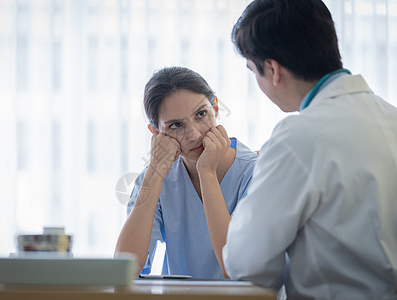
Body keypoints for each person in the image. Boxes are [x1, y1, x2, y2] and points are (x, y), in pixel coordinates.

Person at [222, 0, 397, 299]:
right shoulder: (390, 118)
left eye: (253, 70)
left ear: (273, 69)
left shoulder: (296, 139)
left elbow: (247, 264)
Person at [114, 66, 257, 279]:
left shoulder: (255, 172)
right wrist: (154, 173)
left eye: (201, 114)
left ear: (215, 107)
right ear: (156, 133)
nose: (194, 134)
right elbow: (126, 269)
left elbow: (235, 269)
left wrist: (206, 174)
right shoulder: (156, 178)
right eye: (175, 125)